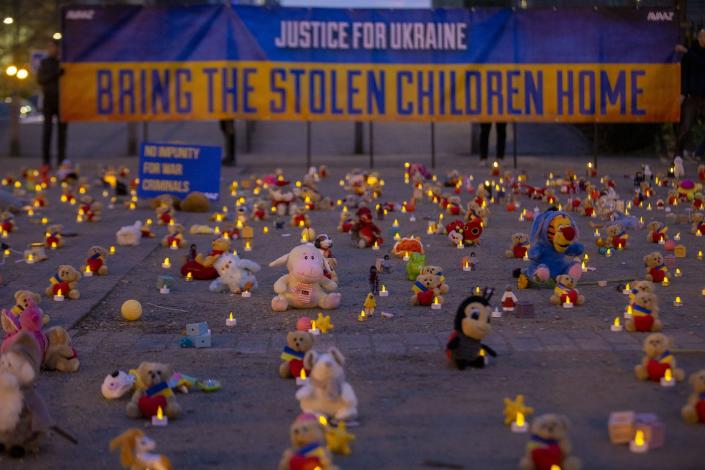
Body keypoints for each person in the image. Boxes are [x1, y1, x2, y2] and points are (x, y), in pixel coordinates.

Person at [675, 28, 705, 160]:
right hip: (692, 97)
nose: (704, 38)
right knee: (685, 128)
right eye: (702, 35)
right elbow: (685, 75)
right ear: (698, 37)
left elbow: (702, 63)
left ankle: (698, 153)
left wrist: (686, 52)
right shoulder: (690, 52)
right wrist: (683, 93)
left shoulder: (689, 52)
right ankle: (678, 155)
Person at [37, 39, 66, 170]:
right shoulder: (45, 63)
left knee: (62, 134)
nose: (52, 50)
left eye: (54, 47)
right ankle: (46, 161)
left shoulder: (63, 62)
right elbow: (41, 79)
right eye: (50, 47)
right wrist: (56, 74)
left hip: (62, 101)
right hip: (49, 100)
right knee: (47, 132)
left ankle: (61, 161)